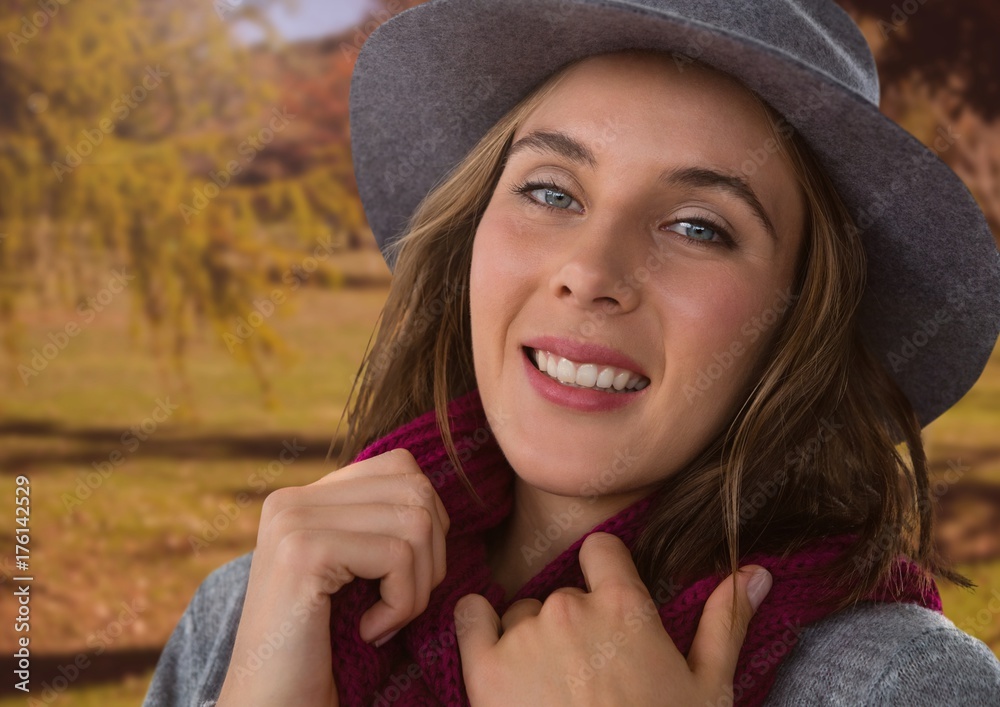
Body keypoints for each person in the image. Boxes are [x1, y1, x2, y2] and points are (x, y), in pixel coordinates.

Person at [142, 0, 1000, 705]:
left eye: (699, 225)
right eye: (551, 190)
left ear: (799, 317)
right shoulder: (257, 610)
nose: (590, 272)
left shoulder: (901, 687)